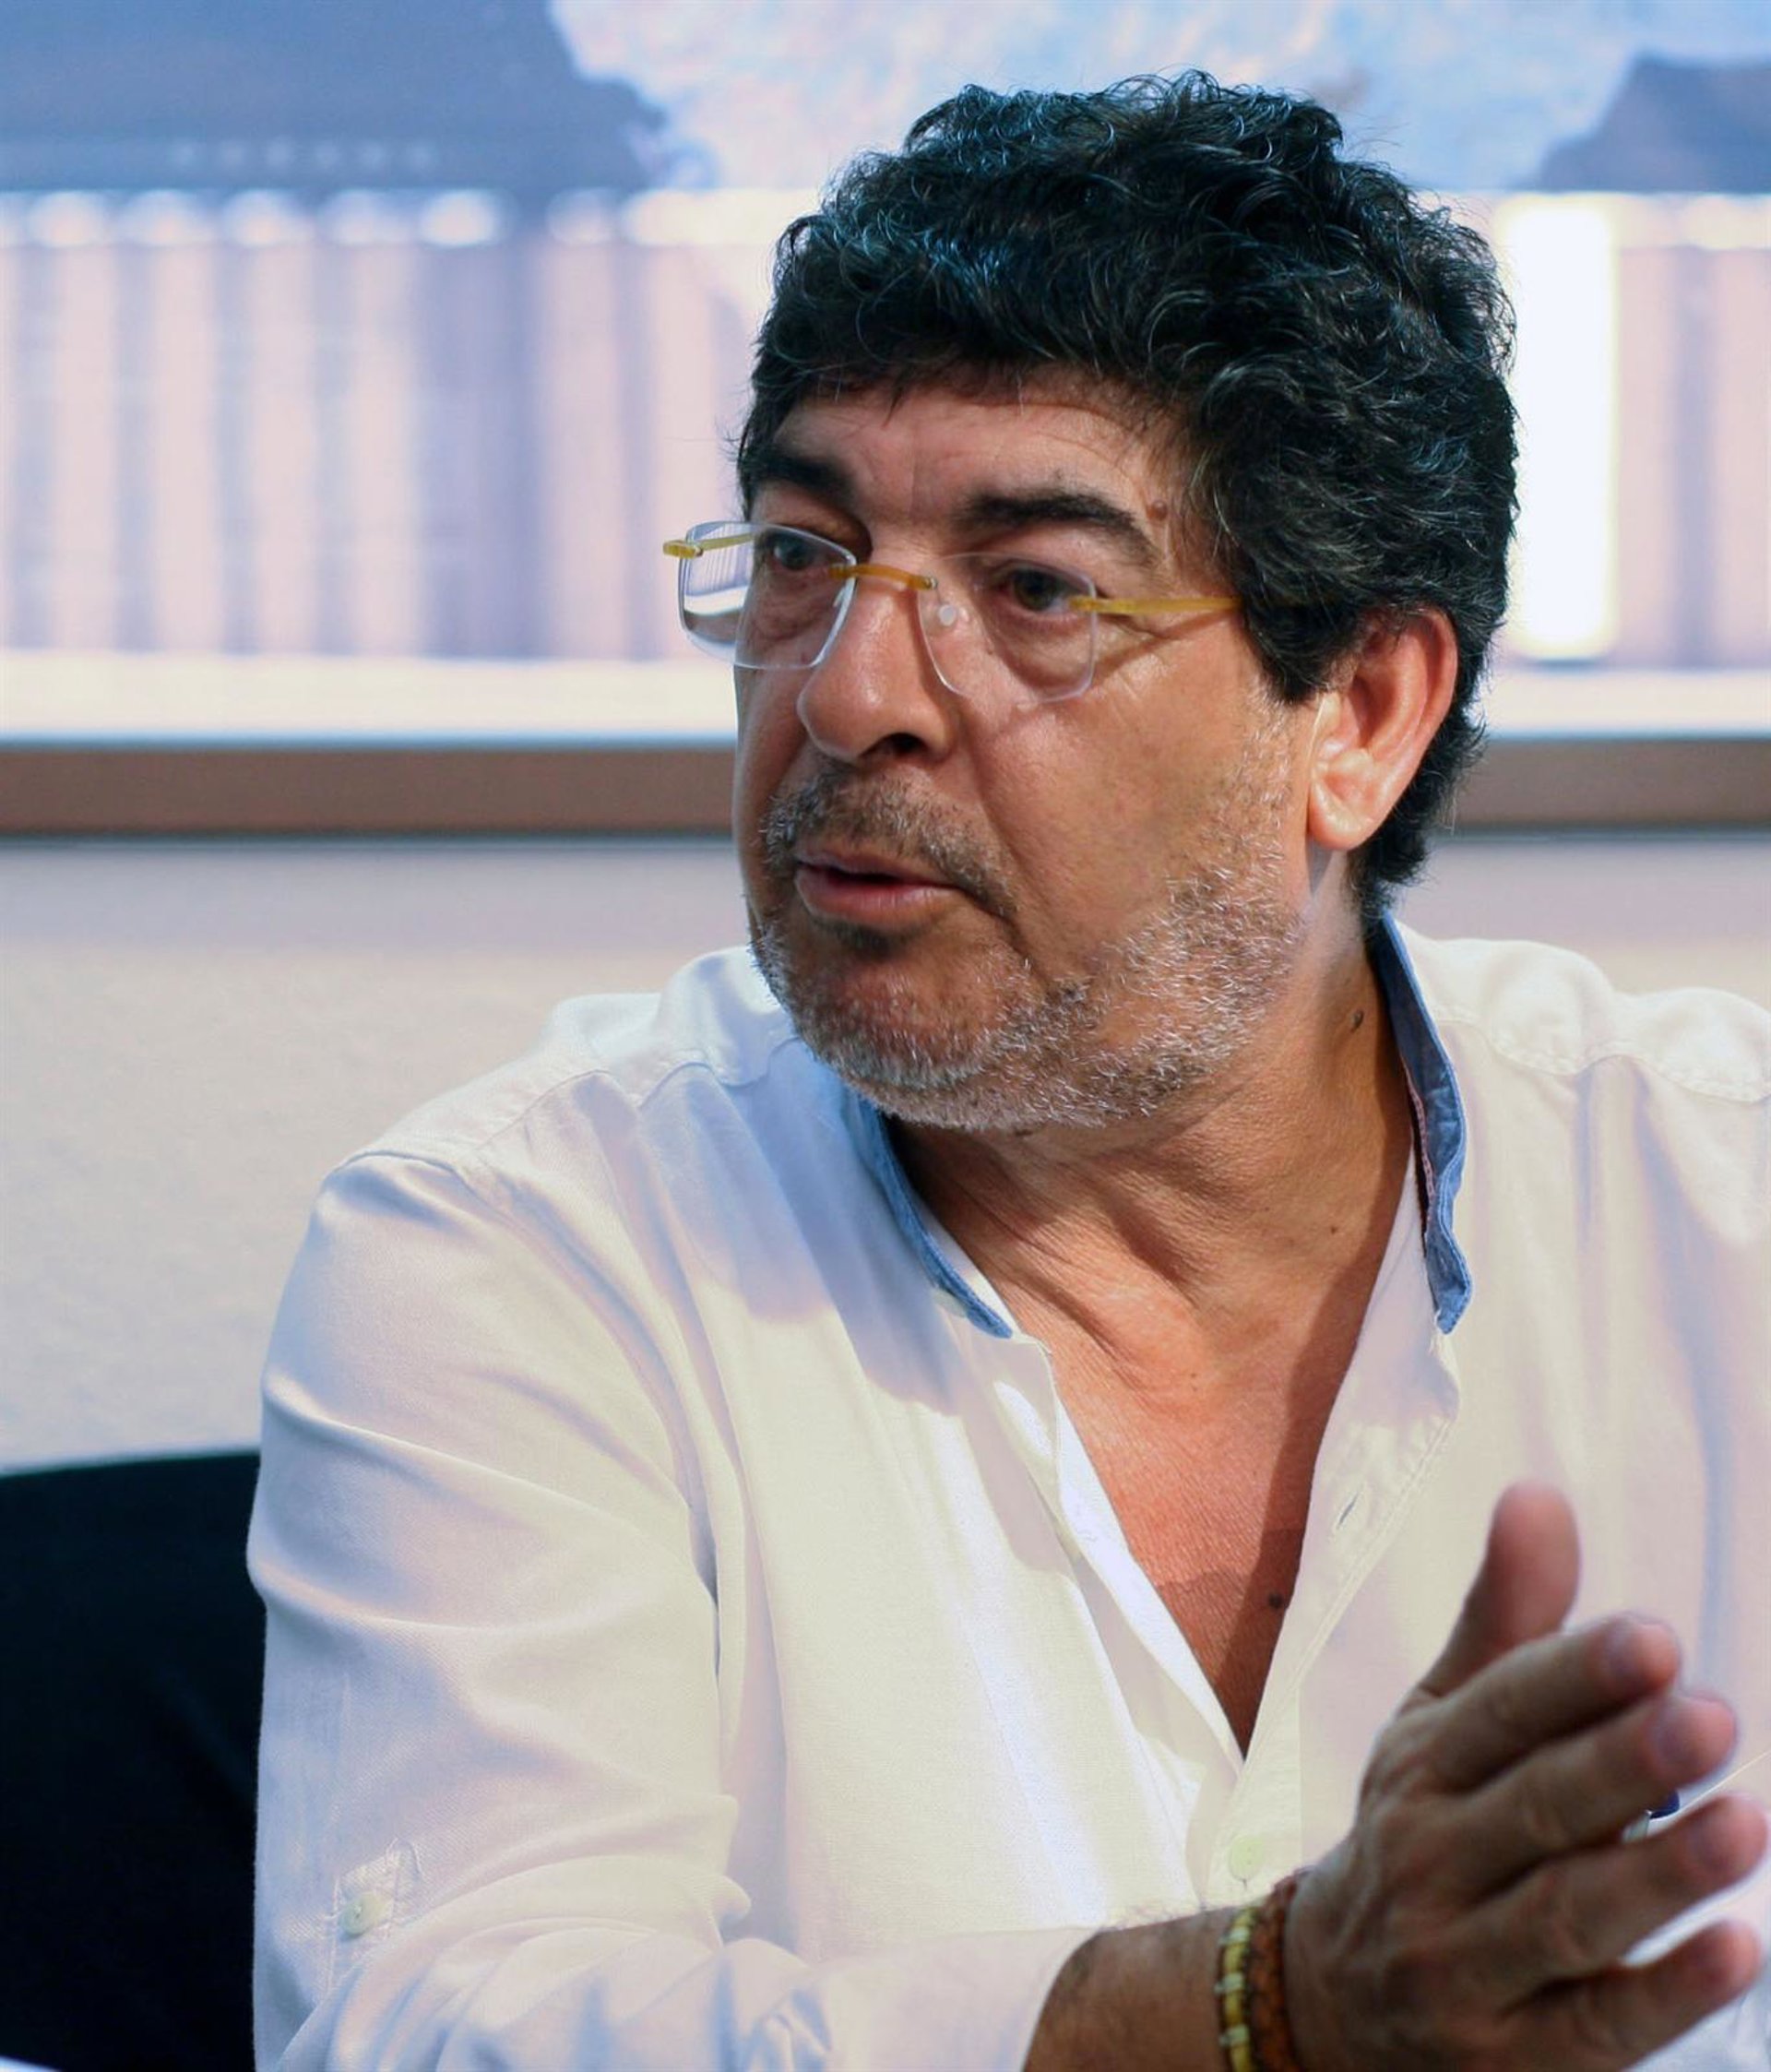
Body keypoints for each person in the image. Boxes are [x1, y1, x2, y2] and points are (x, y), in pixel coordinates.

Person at [251, 73, 1770, 2070]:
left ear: (1362, 711)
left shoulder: (1720, 1205)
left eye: (1037, 589)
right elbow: (436, 2024)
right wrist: (1266, 2013)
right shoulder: (517, 1248)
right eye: (802, 556)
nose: (850, 693)